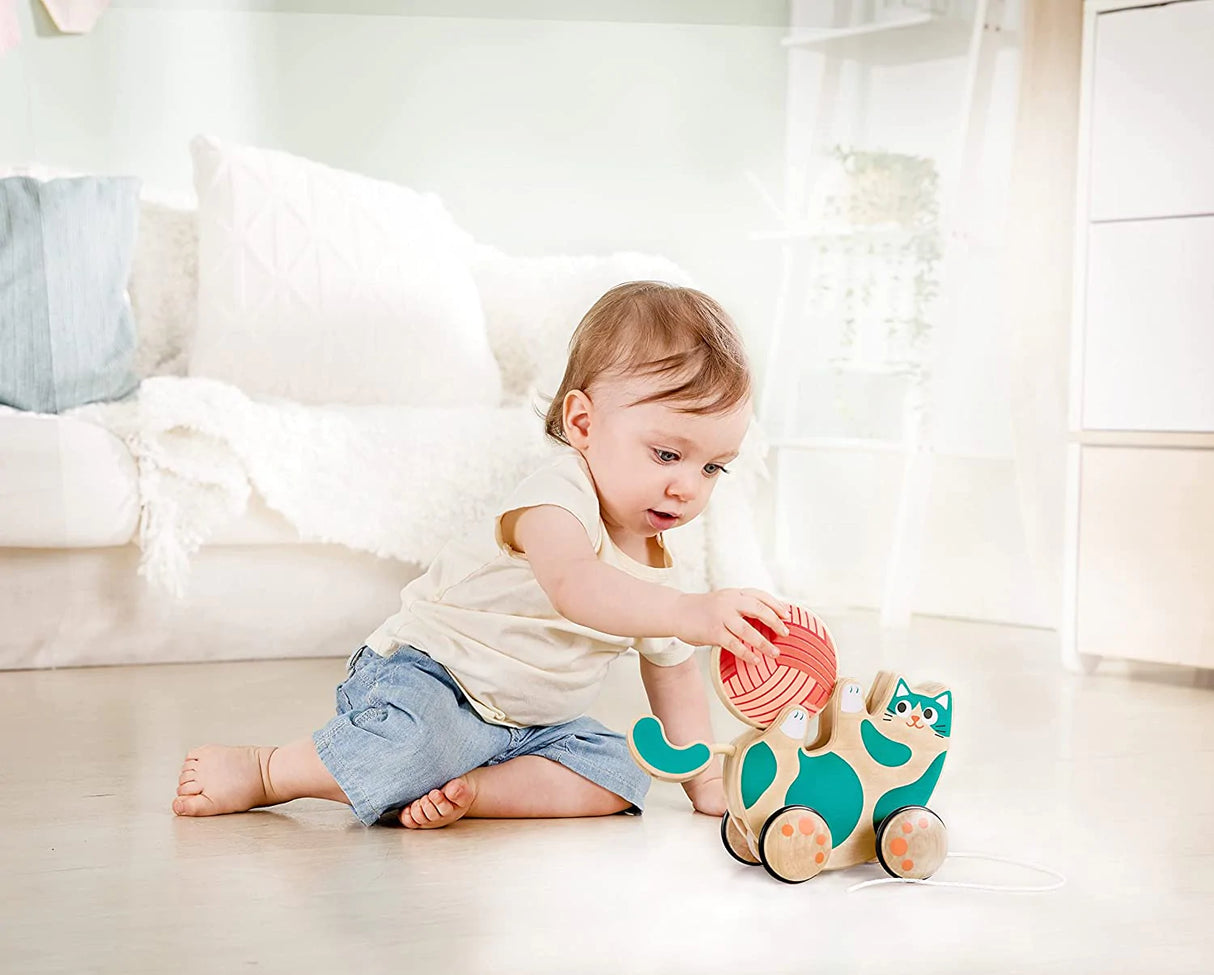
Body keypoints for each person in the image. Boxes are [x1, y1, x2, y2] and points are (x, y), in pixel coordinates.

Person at [172, 280, 790, 828]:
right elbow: (576, 585)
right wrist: (687, 612)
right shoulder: (557, 499)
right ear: (582, 424)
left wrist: (704, 777)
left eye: (713, 467)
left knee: (623, 769)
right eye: (666, 455)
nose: (687, 487)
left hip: (529, 727)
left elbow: (674, 672)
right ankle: (270, 771)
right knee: (410, 745)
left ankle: (476, 791)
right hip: (432, 681)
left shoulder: (661, 568)